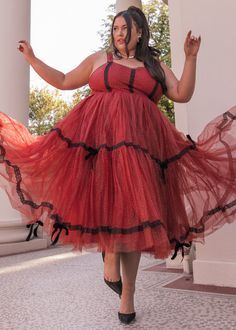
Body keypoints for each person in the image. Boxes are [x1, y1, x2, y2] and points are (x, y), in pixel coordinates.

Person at [0, 5, 235, 325]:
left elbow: (182, 93)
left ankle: (128, 295)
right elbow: (65, 80)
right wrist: (32, 57)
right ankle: (112, 265)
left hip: (142, 150)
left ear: (139, 32)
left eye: (125, 28)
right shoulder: (100, 59)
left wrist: (191, 58)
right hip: (99, 148)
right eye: (115, 29)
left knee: (136, 219)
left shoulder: (154, 66)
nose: (119, 34)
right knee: (114, 213)